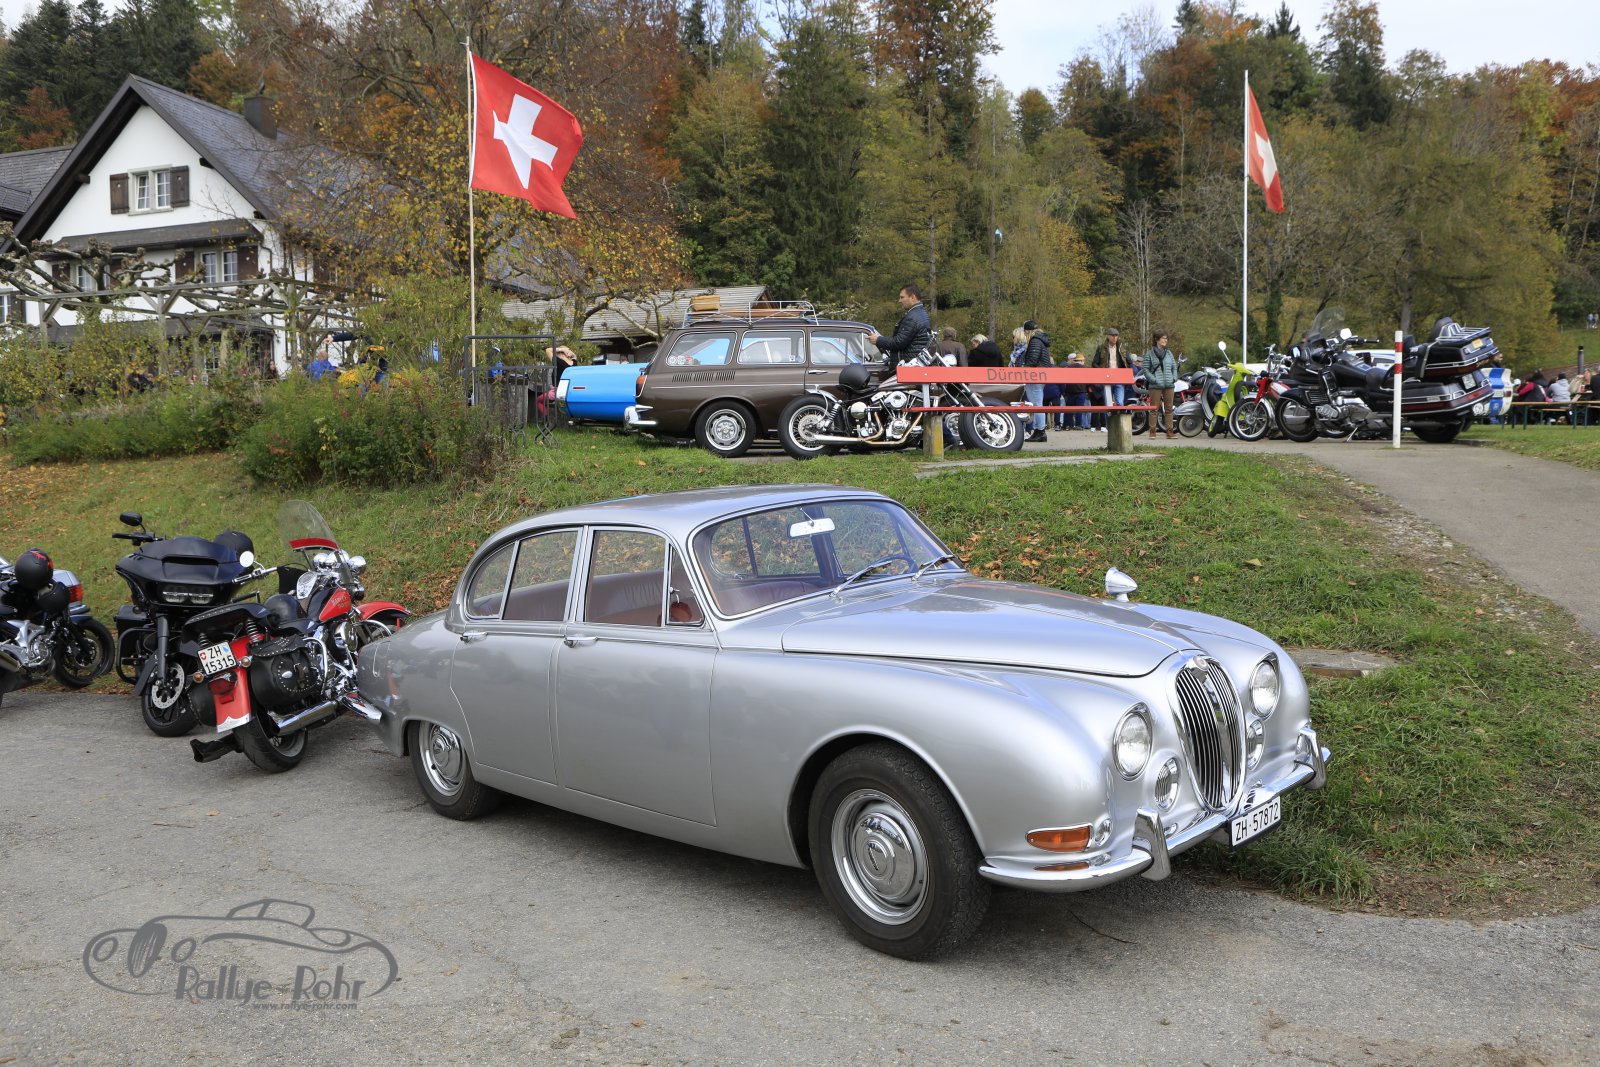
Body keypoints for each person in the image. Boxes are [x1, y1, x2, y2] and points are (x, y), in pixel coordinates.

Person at [869, 284, 932, 372]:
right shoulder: (921, 314)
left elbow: (899, 342)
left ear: (912, 297)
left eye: (902, 297)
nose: (899, 301)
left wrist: (878, 340)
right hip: (913, 366)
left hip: (906, 369)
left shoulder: (912, 317)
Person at [1018, 320, 1052, 443]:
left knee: (1037, 403)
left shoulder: (1035, 340)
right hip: (1040, 375)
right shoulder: (1040, 339)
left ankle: (1040, 431)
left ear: (1027, 331)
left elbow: (1033, 359)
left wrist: (1023, 370)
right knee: (1037, 403)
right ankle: (1039, 431)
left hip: (1035, 376)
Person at [1090, 327, 1130, 432]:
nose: (1115, 337)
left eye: (1116, 335)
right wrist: (1102, 372)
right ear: (1108, 336)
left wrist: (1129, 371)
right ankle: (1109, 426)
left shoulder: (1122, 347)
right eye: (1112, 335)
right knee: (1108, 404)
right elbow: (1094, 363)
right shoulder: (1101, 348)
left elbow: (1128, 361)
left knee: (1120, 403)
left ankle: (1120, 427)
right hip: (1107, 378)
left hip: (1119, 377)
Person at [1144, 331, 1180, 439]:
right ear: (1157, 339)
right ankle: (1152, 432)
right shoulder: (1149, 354)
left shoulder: (1169, 353)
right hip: (1155, 386)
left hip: (1169, 385)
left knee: (1169, 409)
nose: (1165, 340)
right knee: (1154, 409)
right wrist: (1154, 380)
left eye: (1166, 338)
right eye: (1163, 338)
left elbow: (1174, 367)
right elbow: (1145, 370)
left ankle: (1170, 432)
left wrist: (1174, 378)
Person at [1062, 353, 1091, 430]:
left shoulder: (1068, 368)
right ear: (1081, 361)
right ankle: (1078, 425)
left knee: (1069, 409)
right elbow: (1088, 381)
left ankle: (1069, 425)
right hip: (1081, 391)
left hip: (1070, 392)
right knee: (1079, 409)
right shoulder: (1085, 368)